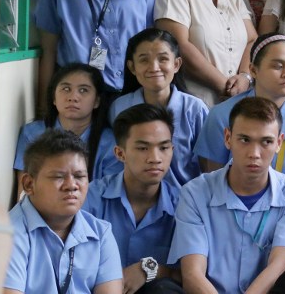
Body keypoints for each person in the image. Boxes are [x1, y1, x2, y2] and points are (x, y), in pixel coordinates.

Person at [169, 97, 285, 293]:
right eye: (244, 140)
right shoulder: (195, 193)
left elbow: (280, 265)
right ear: (227, 138)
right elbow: (193, 274)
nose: (254, 153)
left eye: (266, 141)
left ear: (279, 143)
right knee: (162, 288)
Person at [194, 33, 285, 211]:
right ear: (253, 70)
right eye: (278, 66)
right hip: (232, 213)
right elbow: (213, 181)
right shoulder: (221, 115)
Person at [5, 129, 123, 293]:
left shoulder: (101, 234)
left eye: (79, 176)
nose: (71, 185)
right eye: (58, 176)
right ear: (29, 184)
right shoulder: (7, 235)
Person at [84, 104, 183, 294]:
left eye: (163, 147)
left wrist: (149, 268)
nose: (155, 158)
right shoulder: (91, 198)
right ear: (120, 154)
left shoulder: (184, 205)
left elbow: (190, 274)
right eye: (143, 148)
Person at [109, 28, 208, 186]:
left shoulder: (195, 109)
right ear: (132, 67)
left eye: (163, 59)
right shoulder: (119, 107)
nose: (154, 67)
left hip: (184, 201)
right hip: (137, 197)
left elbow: (207, 167)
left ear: (176, 64)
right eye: (144, 60)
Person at [14, 64, 121, 193]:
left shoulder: (111, 142)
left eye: (83, 90)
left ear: (97, 101)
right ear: (54, 98)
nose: (73, 97)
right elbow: (25, 192)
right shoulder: (32, 134)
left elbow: (109, 195)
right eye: (66, 88)